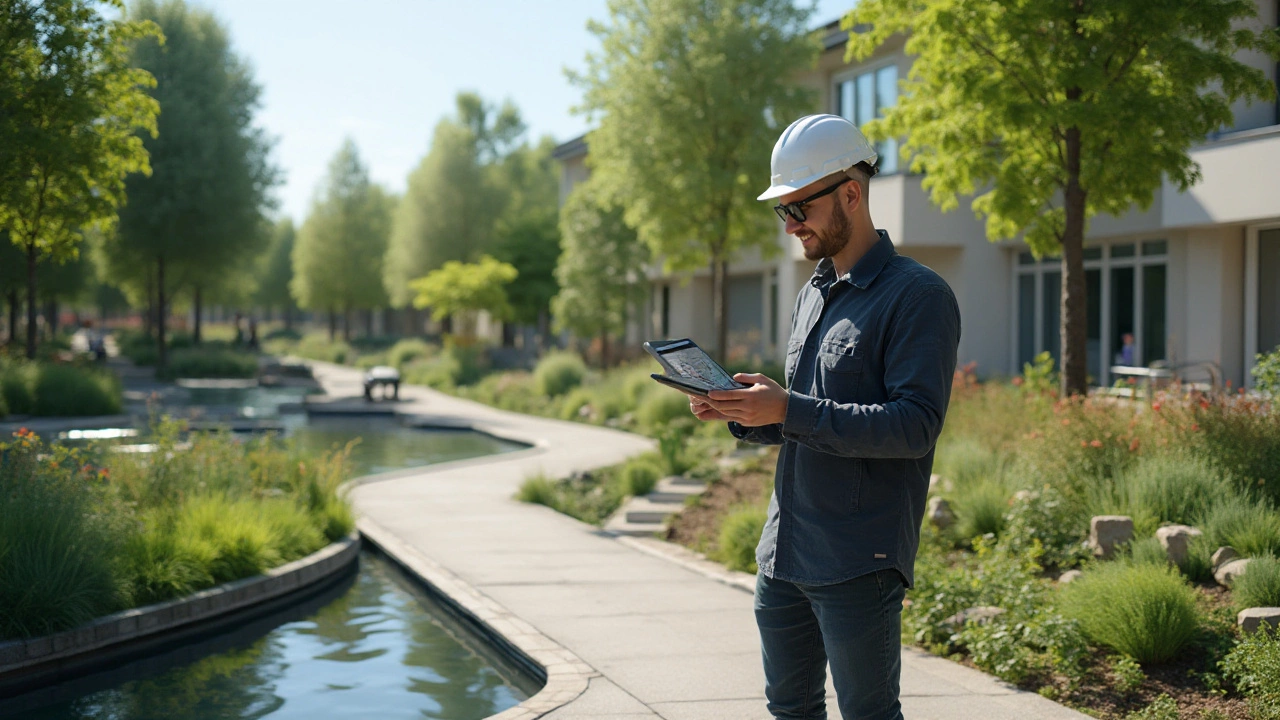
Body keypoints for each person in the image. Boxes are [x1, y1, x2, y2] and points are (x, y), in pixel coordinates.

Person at [689, 114, 961, 720]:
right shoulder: (814, 291)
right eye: (781, 212)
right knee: (789, 710)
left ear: (852, 193)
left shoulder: (919, 296)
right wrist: (744, 412)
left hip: (856, 561)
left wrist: (788, 407)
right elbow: (804, 420)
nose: (790, 227)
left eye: (798, 209)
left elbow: (913, 426)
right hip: (784, 550)